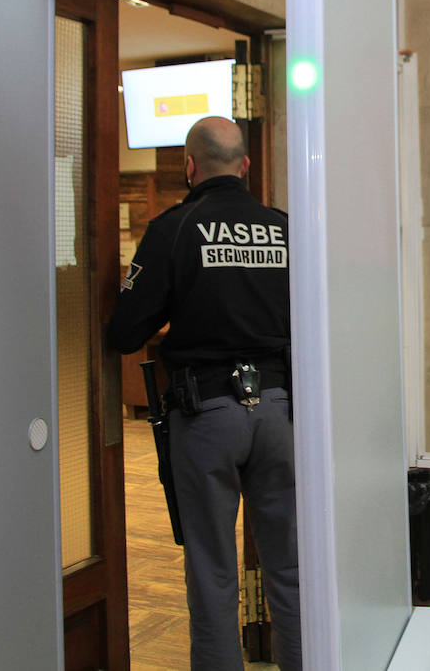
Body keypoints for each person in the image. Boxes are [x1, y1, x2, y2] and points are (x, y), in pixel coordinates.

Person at [107, 115, 301, 671]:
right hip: (281, 411)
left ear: (190, 166)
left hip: (207, 412)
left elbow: (125, 333)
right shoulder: (284, 228)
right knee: (290, 566)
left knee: (213, 570)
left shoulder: (174, 228)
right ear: (245, 165)